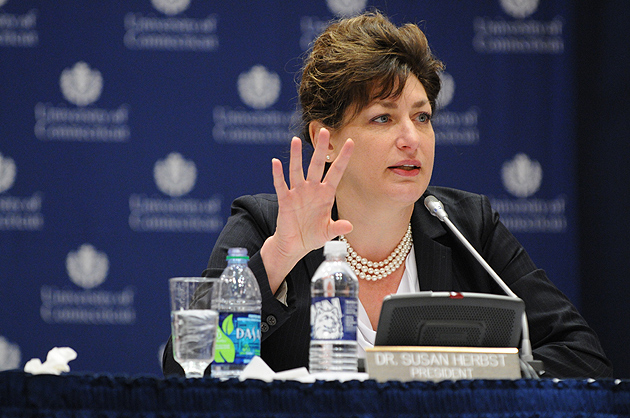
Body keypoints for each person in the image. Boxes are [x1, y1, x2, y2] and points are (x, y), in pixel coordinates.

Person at [163, 11, 612, 379]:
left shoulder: (465, 226)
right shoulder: (265, 226)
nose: (410, 138)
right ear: (328, 138)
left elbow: (582, 356)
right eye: (382, 118)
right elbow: (185, 369)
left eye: (422, 117)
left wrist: (471, 372)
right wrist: (280, 256)